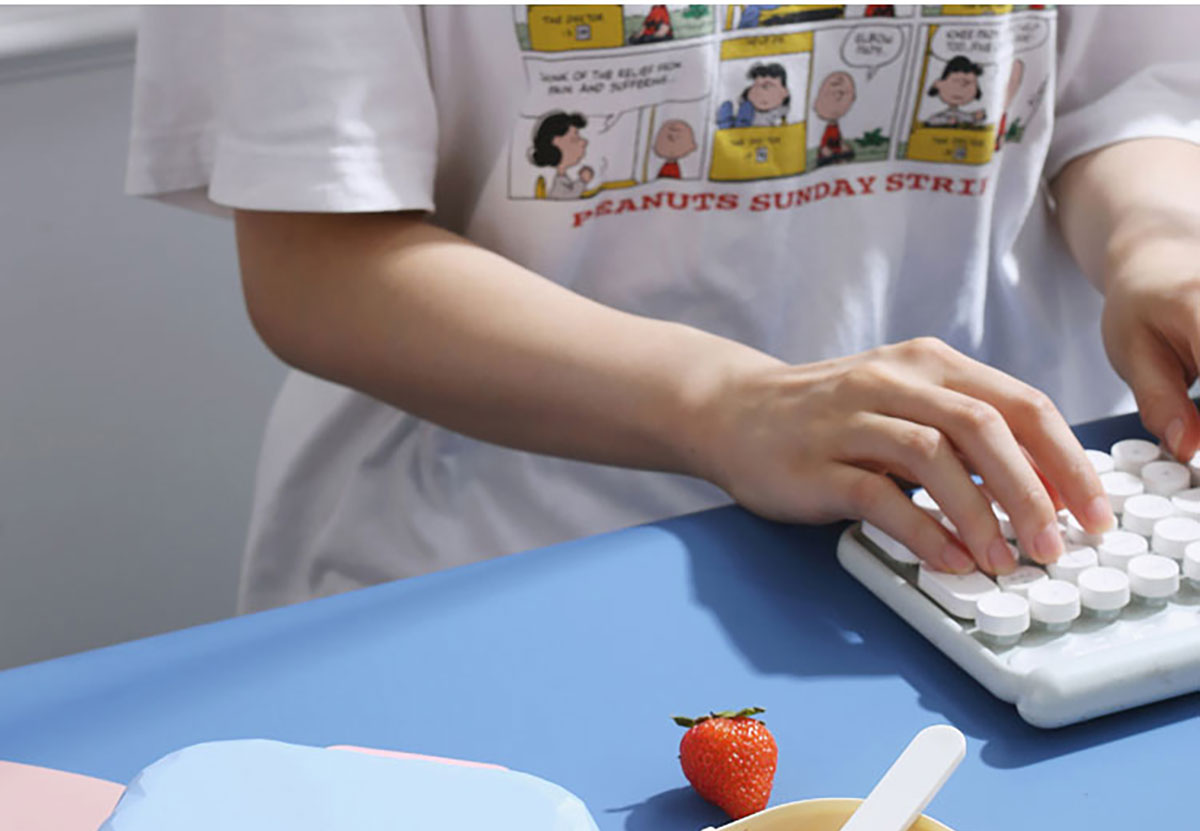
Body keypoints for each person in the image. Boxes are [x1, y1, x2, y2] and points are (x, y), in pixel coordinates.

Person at [126, 7, 1200, 613]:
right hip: (503, 571)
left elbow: (1120, 95)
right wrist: (725, 403)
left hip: (1013, 545)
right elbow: (315, 264)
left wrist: (1153, 245)